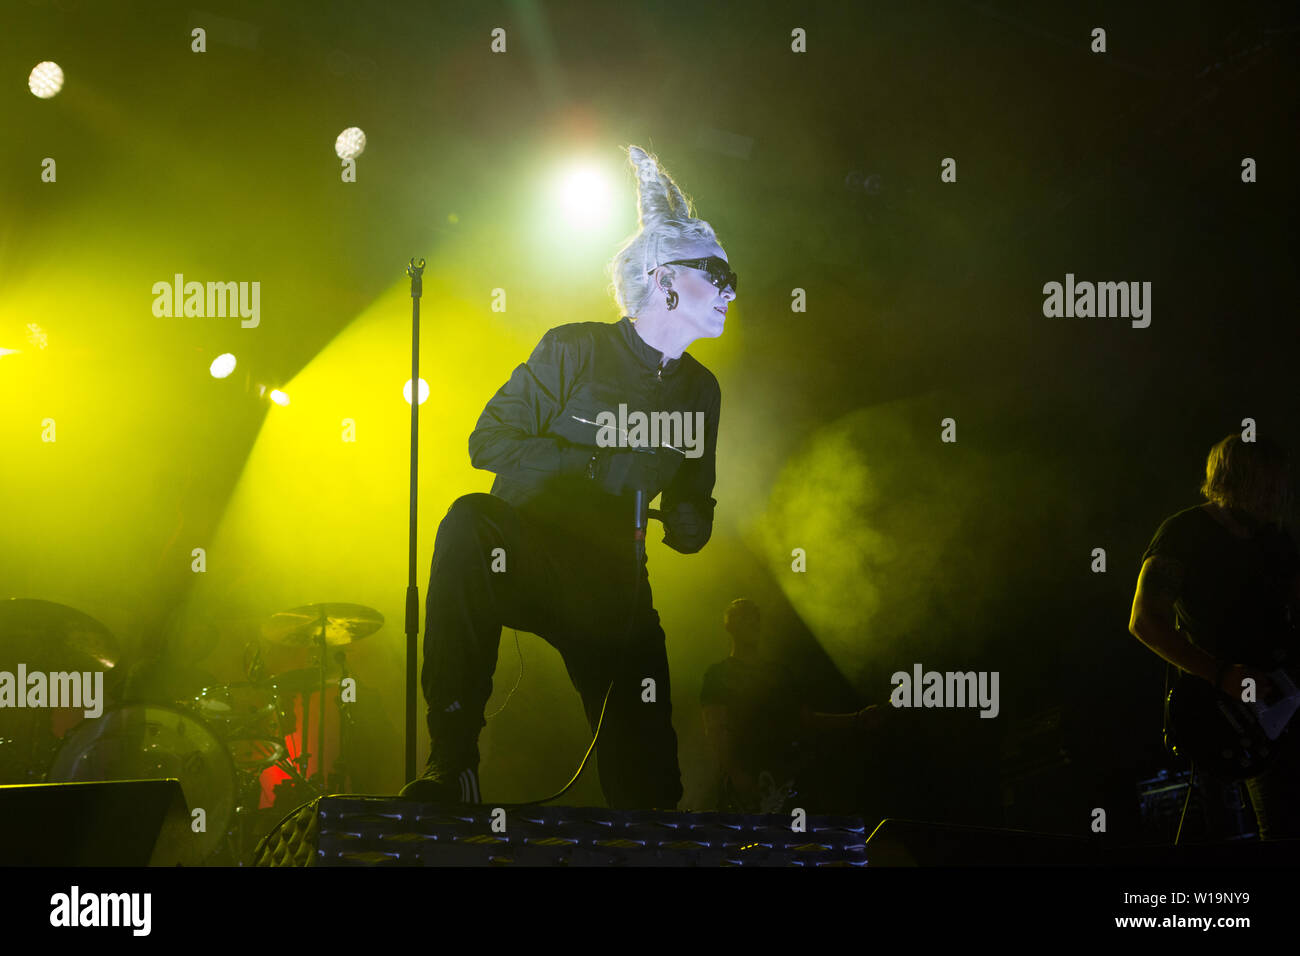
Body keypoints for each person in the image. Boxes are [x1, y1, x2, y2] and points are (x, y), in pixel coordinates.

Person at [400, 145, 733, 809]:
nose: (730, 289)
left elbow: (694, 503)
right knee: (467, 521)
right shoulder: (574, 349)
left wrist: (695, 523)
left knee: (650, 797)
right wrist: (590, 464)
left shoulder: (701, 391)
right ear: (664, 279)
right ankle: (453, 761)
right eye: (716, 274)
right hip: (524, 552)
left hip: (614, 587)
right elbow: (486, 440)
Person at [1128, 433, 1300, 840]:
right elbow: (1145, 622)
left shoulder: (1275, 540)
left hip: (1280, 699)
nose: (1277, 495)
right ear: (1233, 477)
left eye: (1280, 485)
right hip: (1220, 711)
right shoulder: (1183, 532)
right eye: (1267, 484)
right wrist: (1221, 674)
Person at [700, 598, 884, 812]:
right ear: (729, 626)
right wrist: (735, 773)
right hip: (746, 782)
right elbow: (715, 727)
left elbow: (805, 718)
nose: (751, 624)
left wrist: (856, 719)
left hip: (785, 780)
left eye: (754, 619)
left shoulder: (778, 673)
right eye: (743, 619)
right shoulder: (718, 674)